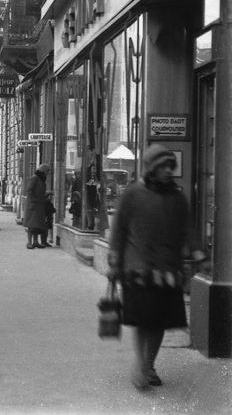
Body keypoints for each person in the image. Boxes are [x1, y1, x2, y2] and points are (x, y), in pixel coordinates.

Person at [108, 144, 206, 390]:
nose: (168, 171)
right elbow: (119, 230)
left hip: (168, 270)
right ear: (151, 168)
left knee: (159, 321)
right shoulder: (132, 194)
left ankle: (148, 365)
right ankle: (141, 365)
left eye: (170, 166)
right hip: (138, 269)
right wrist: (114, 260)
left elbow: (187, 228)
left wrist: (198, 253)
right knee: (143, 320)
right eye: (162, 167)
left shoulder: (177, 197)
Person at [23, 163, 50, 249]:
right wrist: (35, 199)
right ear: (43, 171)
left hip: (39, 206)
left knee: (37, 225)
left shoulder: (41, 179)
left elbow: (39, 191)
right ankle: (29, 243)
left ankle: (36, 242)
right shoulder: (35, 178)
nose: (48, 173)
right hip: (33, 206)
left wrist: (45, 195)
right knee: (31, 225)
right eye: (47, 171)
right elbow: (29, 191)